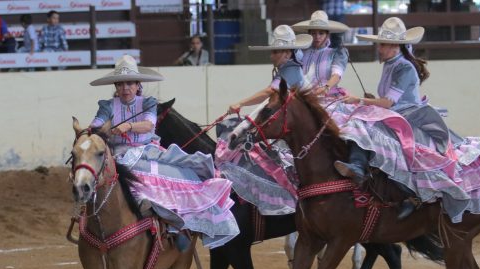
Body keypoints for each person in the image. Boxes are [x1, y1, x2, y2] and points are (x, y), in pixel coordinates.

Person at [331, 17, 480, 222]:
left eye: (383, 44)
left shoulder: (404, 68)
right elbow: (389, 101)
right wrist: (371, 101)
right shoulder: (391, 64)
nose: (379, 49)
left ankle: (406, 193)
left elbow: (390, 102)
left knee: (369, 128)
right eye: (380, 44)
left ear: (395, 46)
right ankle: (364, 172)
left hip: (408, 117)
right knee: (361, 121)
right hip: (395, 114)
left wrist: (360, 100)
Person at [88, 55, 239, 249]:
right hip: (118, 156)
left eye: (130, 83)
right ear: (116, 86)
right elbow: (95, 127)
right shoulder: (107, 106)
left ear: (137, 85)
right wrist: (98, 130)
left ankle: (179, 227)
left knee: (183, 178)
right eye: (120, 84)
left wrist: (128, 126)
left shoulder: (148, 103)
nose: (125, 88)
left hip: (147, 152)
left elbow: (149, 125)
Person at [227, 25, 312, 114]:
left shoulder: (291, 70)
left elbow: (270, 91)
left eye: (275, 52)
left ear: (287, 53)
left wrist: (240, 103)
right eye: (271, 52)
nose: (271, 56)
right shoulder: (288, 65)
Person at [292, 10, 350, 97]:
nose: (317, 37)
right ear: (309, 34)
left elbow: (336, 75)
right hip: (305, 97)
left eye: (321, 33)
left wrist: (326, 87)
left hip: (329, 97)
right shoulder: (301, 52)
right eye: (313, 33)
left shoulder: (336, 53)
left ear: (327, 35)